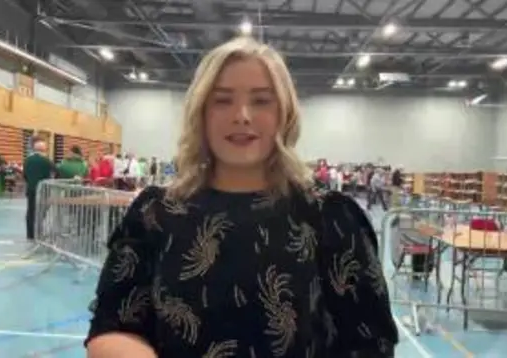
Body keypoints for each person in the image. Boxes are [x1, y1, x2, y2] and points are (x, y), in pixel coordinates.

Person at [86, 36, 397, 358]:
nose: (242, 115)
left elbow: (371, 342)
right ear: (201, 113)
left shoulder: (332, 217)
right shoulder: (154, 214)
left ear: (284, 114)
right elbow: (112, 329)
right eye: (222, 100)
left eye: (262, 100)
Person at [23, 139, 54, 240]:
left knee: (30, 211)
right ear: (44, 150)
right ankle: (39, 232)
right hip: (44, 190)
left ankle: (30, 234)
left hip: (31, 189)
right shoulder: (46, 160)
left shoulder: (27, 160)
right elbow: (56, 172)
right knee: (41, 212)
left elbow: (25, 175)